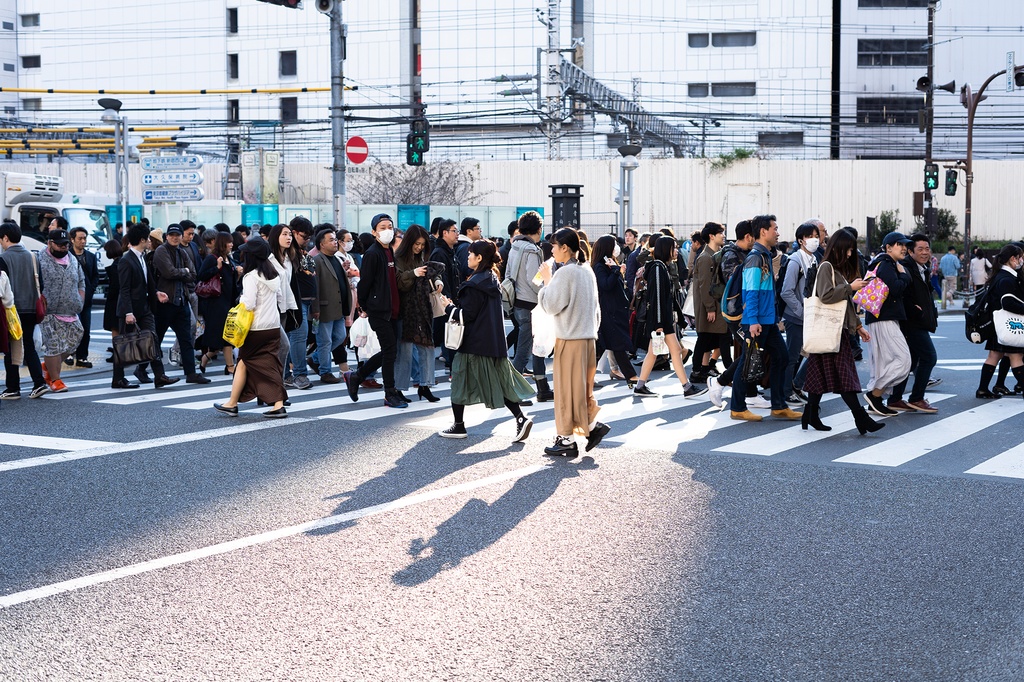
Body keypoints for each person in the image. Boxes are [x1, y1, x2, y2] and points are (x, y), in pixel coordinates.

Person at [437, 240, 534, 440]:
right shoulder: (490, 278)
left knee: (459, 381)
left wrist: (448, 307)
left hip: (474, 343)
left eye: (471, 253)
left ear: (479, 258)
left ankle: (459, 426)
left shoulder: (474, 284)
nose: (468, 257)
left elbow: (467, 315)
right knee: (500, 383)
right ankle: (520, 418)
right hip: (493, 343)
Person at [799, 228, 884, 435]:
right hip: (831, 331)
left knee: (819, 375)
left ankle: (810, 414)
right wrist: (851, 287)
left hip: (836, 332)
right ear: (838, 248)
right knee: (845, 377)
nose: (849, 254)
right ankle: (861, 418)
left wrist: (858, 326)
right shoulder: (826, 267)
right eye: (847, 250)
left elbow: (844, 304)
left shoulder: (836, 270)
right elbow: (826, 296)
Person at [535, 228, 609, 456]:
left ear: (565, 247)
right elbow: (596, 310)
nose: (552, 250)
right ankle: (591, 427)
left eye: (555, 246)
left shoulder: (565, 273)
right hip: (587, 339)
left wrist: (547, 281)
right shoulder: (586, 270)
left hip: (570, 339)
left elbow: (550, 305)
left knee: (566, 391)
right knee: (581, 390)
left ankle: (566, 439)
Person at [729, 215, 802, 422]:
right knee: (747, 361)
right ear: (763, 232)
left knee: (781, 357)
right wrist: (752, 320)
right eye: (775, 228)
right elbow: (750, 291)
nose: (777, 232)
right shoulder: (755, 257)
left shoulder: (765, 255)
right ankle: (737, 407)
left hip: (767, 319)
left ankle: (778, 405)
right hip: (758, 321)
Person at [213, 238, 288, 418]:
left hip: (255, 328)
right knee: (265, 363)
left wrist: (239, 301)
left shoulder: (251, 277)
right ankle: (276, 403)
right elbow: (280, 297)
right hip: (273, 326)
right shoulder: (274, 275)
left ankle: (233, 403)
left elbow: (248, 303)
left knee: (245, 360)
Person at [633, 236, 706, 399]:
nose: (677, 251)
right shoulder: (658, 268)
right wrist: (659, 323)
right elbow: (657, 297)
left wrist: (678, 319)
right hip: (660, 320)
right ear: (666, 249)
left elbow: (668, 298)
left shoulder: (660, 267)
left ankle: (641, 385)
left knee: (662, 352)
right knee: (670, 351)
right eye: (674, 247)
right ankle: (686, 387)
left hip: (661, 320)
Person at [345, 214, 405, 408]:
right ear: (374, 232)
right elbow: (365, 283)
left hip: (393, 309)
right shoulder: (373, 253)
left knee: (391, 351)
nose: (387, 230)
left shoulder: (389, 252)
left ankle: (356, 376)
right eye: (382, 227)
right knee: (389, 352)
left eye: (390, 226)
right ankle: (389, 393)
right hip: (380, 310)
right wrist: (365, 306)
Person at [886, 233, 940, 413]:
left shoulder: (922, 267)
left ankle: (895, 399)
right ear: (910, 251)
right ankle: (916, 398)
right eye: (920, 249)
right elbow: (899, 292)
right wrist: (915, 309)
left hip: (918, 320)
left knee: (910, 360)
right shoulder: (906, 267)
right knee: (929, 357)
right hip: (911, 322)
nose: (925, 252)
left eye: (927, 249)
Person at [862, 232, 913, 417]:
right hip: (883, 318)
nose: (904, 248)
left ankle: (876, 399)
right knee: (904, 360)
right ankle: (874, 395)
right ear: (888, 247)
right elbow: (897, 288)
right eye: (900, 244)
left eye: (905, 245)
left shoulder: (885, 263)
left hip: (882, 317)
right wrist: (904, 275)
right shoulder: (885, 264)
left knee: (887, 362)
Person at [118, 224, 175, 389]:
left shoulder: (141, 257)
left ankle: (160, 376)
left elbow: (147, 281)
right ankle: (118, 378)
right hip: (130, 310)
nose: (150, 241)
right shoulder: (126, 260)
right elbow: (125, 289)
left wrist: (156, 292)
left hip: (145, 308)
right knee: (124, 344)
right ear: (142, 240)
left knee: (153, 339)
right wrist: (128, 312)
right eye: (148, 238)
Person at [153, 224, 209, 385]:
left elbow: (193, 274)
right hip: (165, 302)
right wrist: (183, 271)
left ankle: (191, 373)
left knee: (186, 338)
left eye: (177, 234)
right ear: (166, 236)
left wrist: (183, 272)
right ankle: (145, 370)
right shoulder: (161, 251)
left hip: (181, 300)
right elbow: (168, 272)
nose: (175, 237)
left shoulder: (181, 252)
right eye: (171, 235)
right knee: (157, 338)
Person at [506, 210, 552, 402]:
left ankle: (542, 388)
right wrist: (547, 290)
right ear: (539, 229)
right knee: (524, 352)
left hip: (516, 301)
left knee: (530, 348)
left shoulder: (515, 245)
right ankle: (514, 391)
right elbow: (535, 280)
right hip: (530, 303)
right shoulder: (531, 250)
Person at [0, 221, 49, 399]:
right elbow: (40, 284)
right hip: (31, 309)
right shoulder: (33, 257)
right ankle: (39, 382)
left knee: (11, 349)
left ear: (5, 238)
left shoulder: (3, 259)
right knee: (28, 346)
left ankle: (13, 388)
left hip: (12, 311)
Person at [394, 224, 441, 402]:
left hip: (422, 308)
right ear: (409, 242)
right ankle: (399, 389)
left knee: (427, 347)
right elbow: (399, 283)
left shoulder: (421, 256)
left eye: (422, 244)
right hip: (405, 310)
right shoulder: (398, 257)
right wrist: (413, 273)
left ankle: (425, 385)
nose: (420, 247)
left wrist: (437, 280)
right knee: (404, 351)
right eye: (417, 244)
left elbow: (429, 271)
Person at [36, 227, 85, 393]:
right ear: (50, 243)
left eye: (66, 244)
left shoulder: (72, 258)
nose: (64, 248)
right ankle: (55, 380)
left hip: (71, 310)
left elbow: (81, 280)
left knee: (76, 338)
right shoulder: (39, 259)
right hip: (48, 311)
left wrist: (80, 298)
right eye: (59, 245)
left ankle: (48, 366)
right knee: (54, 346)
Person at [779, 221, 822, 403]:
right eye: (809, 236)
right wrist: (801, 311)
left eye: (816, 236)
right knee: (793, 356)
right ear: (800, 240)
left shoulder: (814, 259)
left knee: (806, 354)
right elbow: (786, 291)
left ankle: (794, 385)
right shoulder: (796, 260)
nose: (814, 240)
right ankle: (787, 390)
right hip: (796, 317)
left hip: (808, 316)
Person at [976, 243, 1024, 399]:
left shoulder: (999, 275)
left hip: (997, 323)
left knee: (994, 356)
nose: (1021, 260)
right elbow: (1008, 302)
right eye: (1020, 257)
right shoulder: (1007, 279)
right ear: (1012, 259)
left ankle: (982, 389)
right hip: (1006, 324)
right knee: (1016, 356)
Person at [590, 234, 639, 386]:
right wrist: (616, 271)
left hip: (613, 310)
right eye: (614, 245)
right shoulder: (599, 266)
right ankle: (630, 376)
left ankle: (630, 376)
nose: (617, 247)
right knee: (612, 345)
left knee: (610, 345)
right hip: (608, 311)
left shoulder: (607, 264)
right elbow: (606, 285)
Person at [691, 222, 733, 384]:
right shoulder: (705, 258)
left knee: (712, 339)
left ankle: (703, 370)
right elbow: (704, 285)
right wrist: (709, 308)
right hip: (709, 306)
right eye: (720, 233)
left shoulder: (715, 254)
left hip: (716, 305)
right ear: (711, 236)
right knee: (706, 339)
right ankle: (698, 371)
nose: (723, 236)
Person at [196, 232, 241, 375]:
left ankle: (205, 359)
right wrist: (217, 268)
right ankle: (230, 366)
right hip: (216, 304)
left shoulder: (230, 258)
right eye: (229, 242)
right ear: (223, 243)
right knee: (224, 337)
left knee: (221, 339)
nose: (232, 245)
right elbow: (201, 276)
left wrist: (238, 272)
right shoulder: (212, 258)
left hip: (229, 302)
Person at [311, 228, 352, 384]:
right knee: (325, 341)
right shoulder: (317, 260)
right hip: (324, 307)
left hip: (339, 306)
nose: (335, 242)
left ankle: (316, 358)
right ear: (322, 244)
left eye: (335, 239)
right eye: (332, 240)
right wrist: (315, 308)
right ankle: (325, 372)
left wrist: (345, 272)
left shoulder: (337, 259)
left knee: (340, 336)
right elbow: (315, 286)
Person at [286, 216, 316, 390]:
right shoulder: (287, 253)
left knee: (293, 338)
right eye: (304, 237)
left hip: (304, 301)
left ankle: (289, 374)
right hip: (294, 301)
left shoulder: (301, 252)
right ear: (294, 232)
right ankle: (299, 374)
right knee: (298, 336)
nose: (307, 240)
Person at [269, 224, 299, 385]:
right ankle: (275, 386)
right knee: (283, 346)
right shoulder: (269, 258)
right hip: (269, 309)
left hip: (283, 308)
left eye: (290, 234)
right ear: (276, 237)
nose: (289, 237)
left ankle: (273, 387)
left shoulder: (288, 258)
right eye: (284, 234)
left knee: (276, 349)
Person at [430, 218, 460, 369]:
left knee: (451, 335)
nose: (457, 234)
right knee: (448, 335)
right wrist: (448, 300)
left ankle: (452, 365)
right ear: (444, 233)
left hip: (451, 301)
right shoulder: (439, 253)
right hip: (445, 302)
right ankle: (452, 367)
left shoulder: (450, 251)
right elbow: (440, 279)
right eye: (454, 231)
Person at [68, 226, 99, 369]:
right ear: (72, 239)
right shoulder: (67, 256)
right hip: (70, 299)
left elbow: (95, 276)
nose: (83, 241)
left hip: (86, 299)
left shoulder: (91, 256)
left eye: (85, 238)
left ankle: (82, 356)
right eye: (80, 238)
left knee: (86, 328)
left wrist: (90, 290)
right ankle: (68, 353)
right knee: (70, 328)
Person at [454, 217, 482, 282]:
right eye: (478, 228)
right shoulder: (466, 247)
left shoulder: (464, 244)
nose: (480, 231)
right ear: (469, 231)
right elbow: (466, 270)